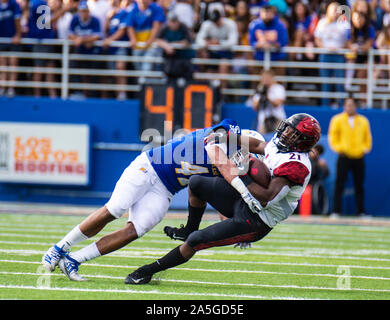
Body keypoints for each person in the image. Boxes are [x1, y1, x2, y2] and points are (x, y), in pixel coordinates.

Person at [41, 119, 264, 281]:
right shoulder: (228, 131)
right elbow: (217, 151)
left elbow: (202, 190)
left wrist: (230, 225)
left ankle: (74, 260)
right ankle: (59, 247)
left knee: (135, 230)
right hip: (149, 167)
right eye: (249, 151)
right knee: (116, 208)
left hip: (166, 188)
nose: (247, 157)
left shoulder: (231, 167)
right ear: (245, 139)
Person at [125, 113, 321, 285]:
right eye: (287, 128)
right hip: (245, 199)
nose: (285, 133)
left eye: (293, 133)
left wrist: (242, 174)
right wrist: (226, 135)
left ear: (303, 141)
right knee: (196, 183)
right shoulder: (280, 147)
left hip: (257, 219)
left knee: (196, 241)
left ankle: (148, 271)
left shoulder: (296, 165)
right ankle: (190, 227)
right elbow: (260, 145)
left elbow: (266, 198)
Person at [328, 97, 372, 217]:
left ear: (355, 106)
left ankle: (361, 211)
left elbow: (367, 137)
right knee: (339, 184)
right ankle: (336, 211)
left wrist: (365, 148)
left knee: (359, 185)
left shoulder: (363, 120)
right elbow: (333, 137)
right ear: (344, 106)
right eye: (347, 105)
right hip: (344, 156)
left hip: (358, 156)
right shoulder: (337, 119)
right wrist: (339, 149)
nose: (350, 107)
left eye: (352, 105)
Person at [314, 2, 350, 107]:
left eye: (336, 10)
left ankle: (342, 105)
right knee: (326, 82)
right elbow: (317, 39)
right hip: (325, 55)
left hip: (339, 55)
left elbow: (348, 40)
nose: (334, 13)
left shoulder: (344, 22)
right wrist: (324, 48)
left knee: (340, 82)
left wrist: (341, 48)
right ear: (328, 11)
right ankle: (325, 105)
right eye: (332, 10)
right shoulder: (322, 22)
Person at [195, 9, 238, 87]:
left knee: (223, 65)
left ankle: (222, 95)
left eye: (217, 20)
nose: (215, 23)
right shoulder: (207, 24)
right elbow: (198, 40)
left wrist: (219, 43)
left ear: (221, 17)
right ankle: (208, 91)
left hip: (226, 53)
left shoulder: (230, 24)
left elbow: (233, 42)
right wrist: (207, 43)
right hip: (212, 54)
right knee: (202, 54)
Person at [68, 1, 101, 98]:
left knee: (93, 74)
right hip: (80, 52)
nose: (83, 13)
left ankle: (92, 95)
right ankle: (78, 92)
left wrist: (82, 39)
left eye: (85, 11)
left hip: (92, 53)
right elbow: (70, 34)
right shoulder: (75, 19)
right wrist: (82, 40)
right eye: (81, 11)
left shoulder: (95, 20)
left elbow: (97, 36)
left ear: (88, 11)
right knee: (75, 69)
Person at [103, 0, 134, 100]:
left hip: (121, 46)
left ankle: (122, 94)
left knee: (120, 68)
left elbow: (122, 31)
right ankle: (118, 94)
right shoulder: (111, 14)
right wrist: (108, 18)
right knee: (113, 72)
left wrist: (110, 40)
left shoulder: (125, 13)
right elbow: (106, 30)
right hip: (112, 48)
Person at [27, 0, 58, 98]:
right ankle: (37, 96)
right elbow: (44, 23)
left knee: (50, 69)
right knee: (39, 69)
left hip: (45, 41)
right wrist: (64, 10)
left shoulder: (37, 3)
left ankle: (51, 95)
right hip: (41, 41)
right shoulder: (39, 3)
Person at [126, 0, 165, 73]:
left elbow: (157, 25)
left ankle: (144, 83)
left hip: (151, 44)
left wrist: (151, 39)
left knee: (147, 66)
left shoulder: (156, 8)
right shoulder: (133, 9)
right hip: (138, 45)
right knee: (138, 66)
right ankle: (144, 83)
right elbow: (130, 26)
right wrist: (133, 39)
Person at [249, 4, 289, 74]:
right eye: (265, 12)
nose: (267, 15)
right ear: (260, 13)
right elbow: (251, 42)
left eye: (269, 13)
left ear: (273, 14)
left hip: (276, 58)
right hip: (259, 58)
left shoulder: (280, 25)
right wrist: (260, 45)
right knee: (256, 80)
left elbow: (283, 42)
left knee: (278, 79)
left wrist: (271, 45)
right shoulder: (255, 25)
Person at [155, 11, 193, 80]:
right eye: (171, 22)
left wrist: (174, 45)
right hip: (170, 60)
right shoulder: (165, 28)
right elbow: (158, 39)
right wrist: (166, 46)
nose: (173, 24)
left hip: (183, 58)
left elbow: (188, 41)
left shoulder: (183, 27)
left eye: (175, 21)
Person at [251, 69, 286, 134]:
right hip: (263, 121)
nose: (266, 80)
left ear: (272, 78)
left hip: (277, 119)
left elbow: (277, 104)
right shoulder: (260, 89)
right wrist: (261, 94)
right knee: (262, 141)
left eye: (267, 78)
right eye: (264, 78)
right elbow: (255, 107)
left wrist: (267, 95)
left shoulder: (278, 88)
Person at [0, 0, 22, 97]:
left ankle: (11, 88)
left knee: (13, 62)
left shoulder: (14, 4)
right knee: (2, 64)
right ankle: (2, 87)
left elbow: (17, 20)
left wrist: (18, 35)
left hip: (13, 40)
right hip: (2, 40)